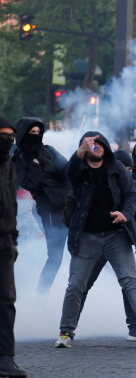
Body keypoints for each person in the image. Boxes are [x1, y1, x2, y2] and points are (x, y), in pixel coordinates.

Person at [55, 131, 136, 351]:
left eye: (99, 143)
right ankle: (65, 333)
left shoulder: (117, 169)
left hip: (116, 237)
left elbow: (133, 197)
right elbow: (69, 171)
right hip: (86, 238)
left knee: (130, 282)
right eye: (90, 145)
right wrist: (81, 150)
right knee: (76, 285)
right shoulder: (79, 170)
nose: (96, 147)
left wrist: (126, 214)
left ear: (105, 147)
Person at [12, 117, 70, 293]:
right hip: (51, 211)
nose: (36, 136)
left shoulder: (49, 151)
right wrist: (37, 168)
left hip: (69, 204)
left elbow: (67, 171)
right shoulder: (18, 158)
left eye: (38, 132)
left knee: (87, 249)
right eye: (31, 133)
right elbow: (29, 183)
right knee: (55, 257)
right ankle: (41, 294)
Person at [0, 117, 28, 378]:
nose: (7, 141)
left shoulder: (9, 166)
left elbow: (12, 207)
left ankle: (5, 358)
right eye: (3, 135)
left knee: (7, 302)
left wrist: (14, 239)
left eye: (11, 136)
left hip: (4, 245)